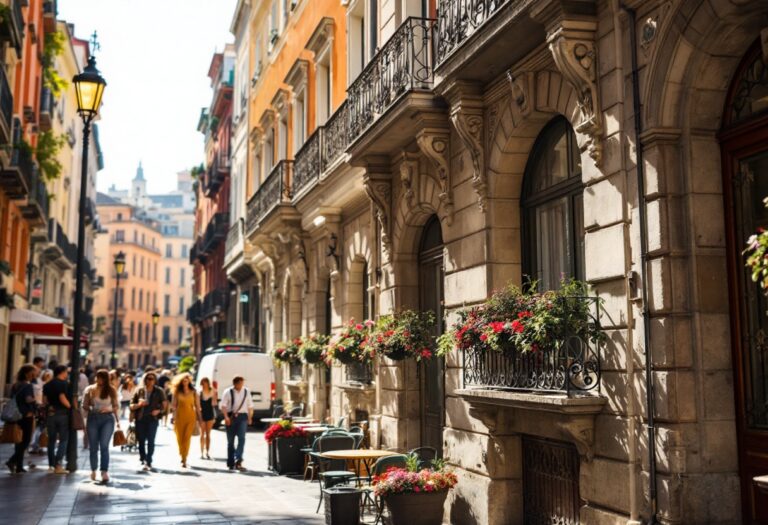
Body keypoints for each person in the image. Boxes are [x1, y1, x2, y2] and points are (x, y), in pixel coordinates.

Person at [83, 369, 119, 483]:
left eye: (102, 378)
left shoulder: (111, 390)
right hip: (93, 418)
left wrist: (109, 409)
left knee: (104, 445)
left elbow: (116, 406)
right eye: (98, 377)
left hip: (107, 419)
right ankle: (93, 469)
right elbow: (84, 405)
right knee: (93, 447)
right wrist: (91, 408)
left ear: (106, 379)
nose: (99, 380)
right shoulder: (90, 389)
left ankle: (104, 471)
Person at [129, 371, 166, 471]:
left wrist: (158, 411)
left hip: (152, 419)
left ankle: (148, 460)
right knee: (141, 440)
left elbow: (164, 406)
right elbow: (131, 405)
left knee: (151, 440)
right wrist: (139, 405)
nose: (149, 381)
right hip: (140, 419)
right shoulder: (139, 390)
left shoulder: (159, 391)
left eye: (151, 379)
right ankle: (142, 458)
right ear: (144, 380)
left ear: (155, 380)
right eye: (147, 379)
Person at [5, 364, 39, 474]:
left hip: (15, 415)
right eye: (33, 372)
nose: (35, 374)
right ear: (27, 373)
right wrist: (36, 402)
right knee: (26, 440)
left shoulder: (15, 385)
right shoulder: (28, 386)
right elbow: (28, 399)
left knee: (18, 441)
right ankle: (12, 461)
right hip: (26, 415)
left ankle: (19, 466)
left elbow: (11, 397)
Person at [218, 376, 252, 471]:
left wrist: (250, 417)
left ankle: (239, 461)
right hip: (231, 417)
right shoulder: (228, 392)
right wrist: (226, 417)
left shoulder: (246, 391)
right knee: (230, 442)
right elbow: (223, 406)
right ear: (235, 384)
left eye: (242, 383)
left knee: (242, 439)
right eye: (240, 383)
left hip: (243, 417)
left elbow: (250, 405)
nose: (241, 385)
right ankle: (230, 462)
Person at [43, 365, 71, 474]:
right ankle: (58, 465)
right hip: (62, 414)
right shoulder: (63, 383)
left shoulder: (47, 384)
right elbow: (62, 397)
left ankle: (51, 465)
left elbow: (44, 400)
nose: (67, 374)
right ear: (62, 372)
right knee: (63, 440)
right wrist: (70, 406)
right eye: (66, 372)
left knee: (51, 440)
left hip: (51, 414)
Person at [170, 373, 201, 468]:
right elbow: (174, 406)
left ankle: (184, 458)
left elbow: (198, 406)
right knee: (180, 438)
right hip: (179, 417)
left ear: (189, 381)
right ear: (181, 381)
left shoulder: (194, 392)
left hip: (191, 416)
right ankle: (182, 454)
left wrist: (200, 417)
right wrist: (173, 416)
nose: (185, 382)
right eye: (183, 380)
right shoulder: (177, 392)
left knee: (187, 438)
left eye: (186, 380)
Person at [198, 377, 217, 459]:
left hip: (210, 413)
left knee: (208, 434)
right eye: (203, 383)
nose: (204, 384)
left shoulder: (213, 391)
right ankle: (201, 452)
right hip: (202, 414)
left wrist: (215, 396)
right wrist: (198, 416)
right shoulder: (199, 392)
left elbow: (214, 404)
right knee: (202, 434)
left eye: (205, 382)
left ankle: (207, 451)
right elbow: (198, 405)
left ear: (208, 383)